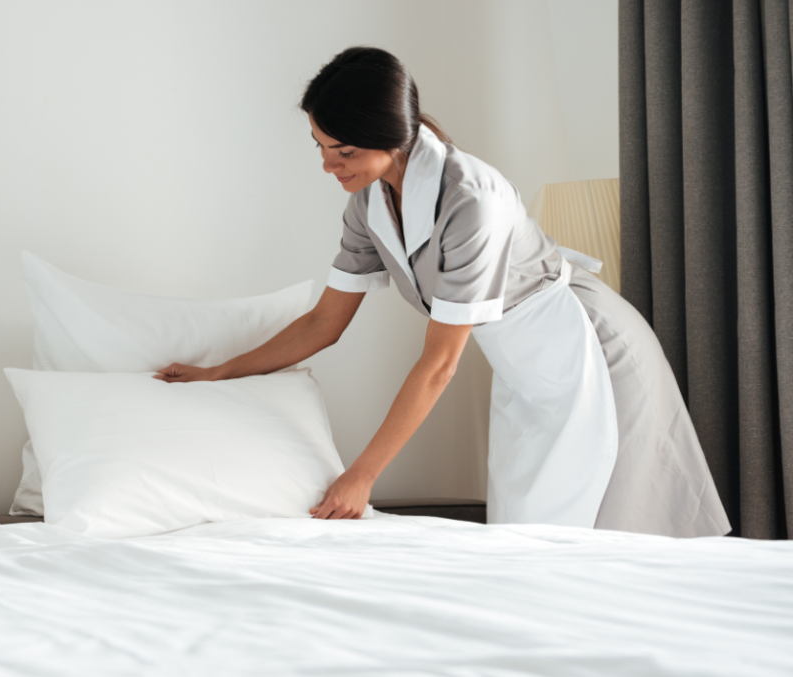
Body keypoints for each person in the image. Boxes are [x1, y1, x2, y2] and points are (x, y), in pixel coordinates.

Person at [155, 47, 730, 537]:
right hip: (524, 367)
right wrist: (219, 373)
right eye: (320, 147)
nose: (328, 165)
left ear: (391, 137)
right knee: (528, 532)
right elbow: (322, 325)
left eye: (345, 151)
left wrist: (362, 476)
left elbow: (437, 366)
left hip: (588, 353)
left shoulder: (472, 200)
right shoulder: (369, 204)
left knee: (610, 529)